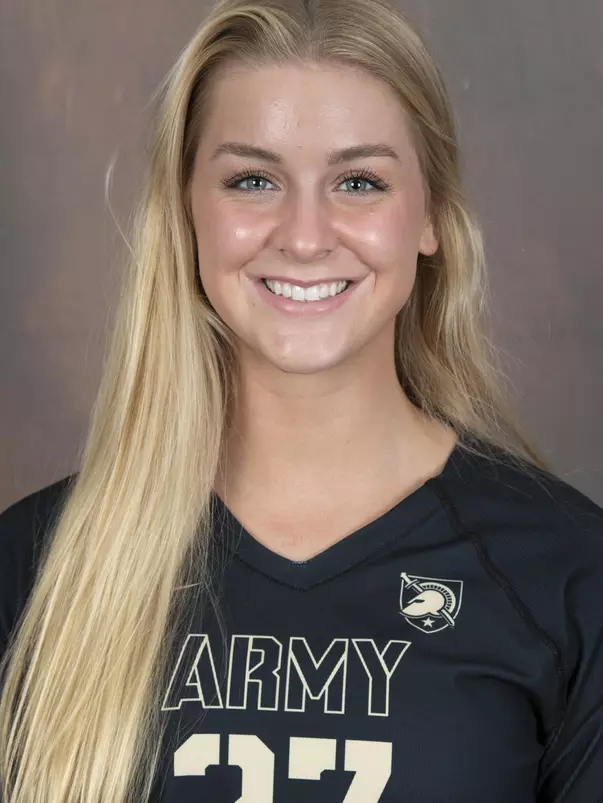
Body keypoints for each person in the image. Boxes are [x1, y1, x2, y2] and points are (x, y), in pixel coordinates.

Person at [1, 0, 602, 800]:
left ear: (429, 217)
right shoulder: (39, 566)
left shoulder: (563, 574)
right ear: (186, 216)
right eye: (252, 179)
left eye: (359, 181)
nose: (306, 234)